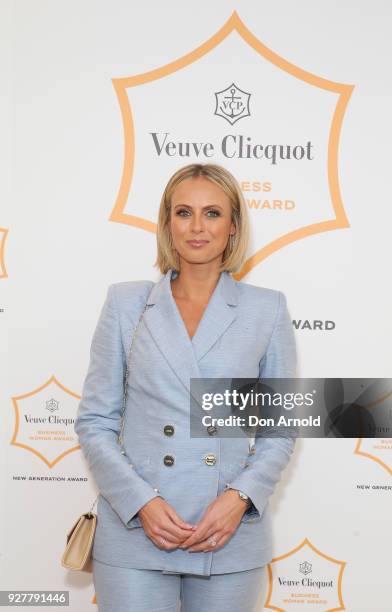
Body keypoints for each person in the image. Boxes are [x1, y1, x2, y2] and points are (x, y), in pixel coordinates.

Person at [74, 163, 297, 611]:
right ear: (167, 222)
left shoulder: (266, 309)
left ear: (233, 225)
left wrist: (238, 499)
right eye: (184, 212)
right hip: (135, 530)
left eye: (213, 213)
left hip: (229, 534)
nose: (197, 227)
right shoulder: (126, 303)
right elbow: (96, 421)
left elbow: (279, 428)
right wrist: (141, 503)